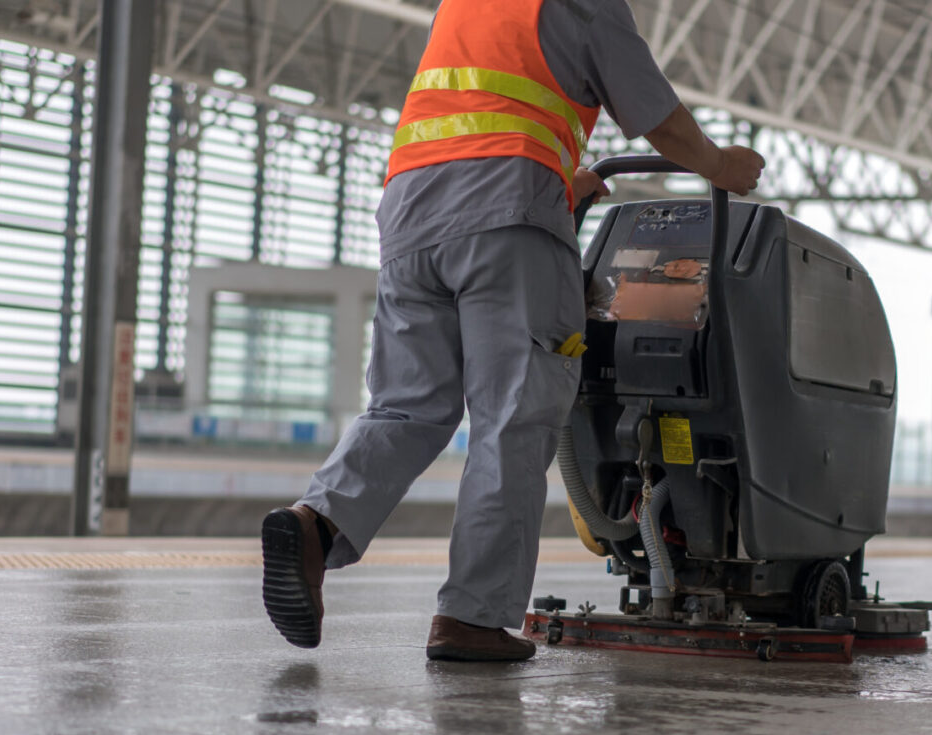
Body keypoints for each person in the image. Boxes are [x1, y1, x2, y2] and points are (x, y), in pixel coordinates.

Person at [261, 0, 764, 662]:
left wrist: (560, 177)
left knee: (407, 405)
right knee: (513, 418)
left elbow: (482, 116)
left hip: (411, 214)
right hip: (507, 218)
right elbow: (658, 119)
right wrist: (719, 166)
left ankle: (316, 525)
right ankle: (471, 617)